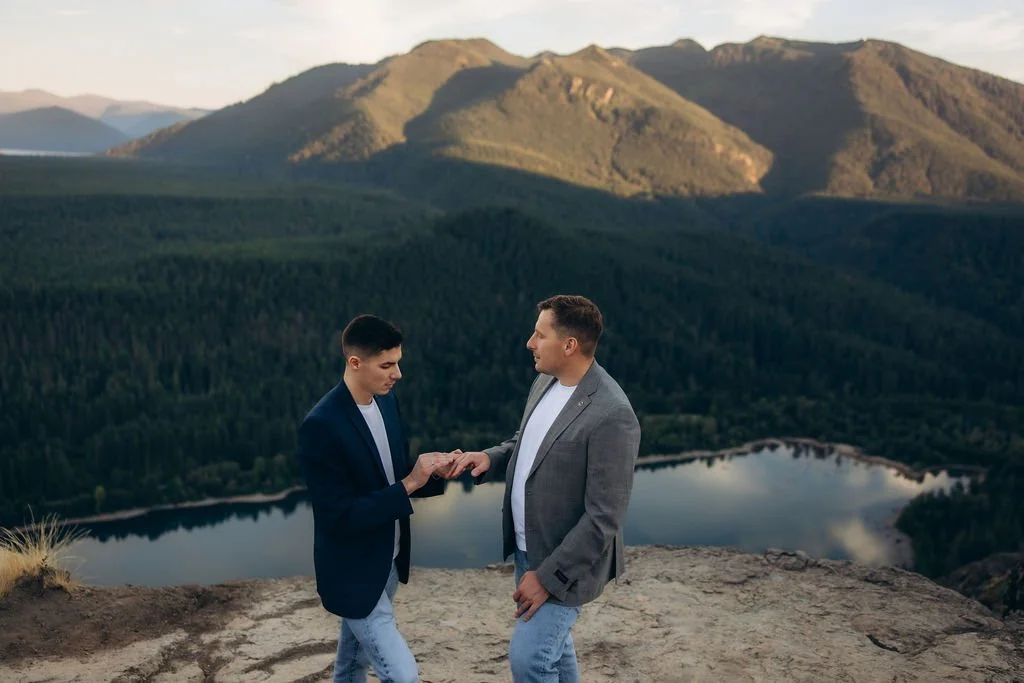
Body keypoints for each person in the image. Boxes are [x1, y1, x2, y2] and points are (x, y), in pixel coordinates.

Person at [450, 294, 641, 682]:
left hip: (564, 564)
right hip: (527, 550)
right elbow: (529, 441)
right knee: (555, 652)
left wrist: (546, 577)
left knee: (530, 660)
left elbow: (604, 518)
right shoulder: (546, 381)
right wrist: (491, 457)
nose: (529, 343)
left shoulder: (613, 414)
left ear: (569, 345)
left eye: (539, 334)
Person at [296, 314, 454, 683]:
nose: (397, 373)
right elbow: (340, 517)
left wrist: (432, 474)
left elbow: (393, 475)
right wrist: (409, 484)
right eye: (387, 365)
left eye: (398, 362)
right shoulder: (321, 426)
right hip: (353, 572)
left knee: (351, 664)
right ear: (355, 363)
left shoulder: (385, 402)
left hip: (388, 560)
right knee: (402, 675)